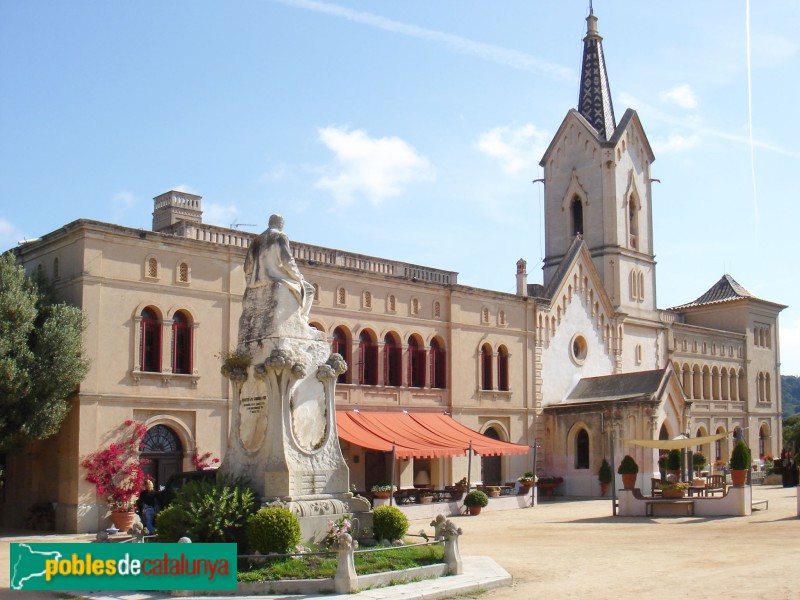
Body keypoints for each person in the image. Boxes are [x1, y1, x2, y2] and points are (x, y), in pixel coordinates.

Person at [243, 214, 314, 322]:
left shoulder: (256, 240)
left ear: (269, 223)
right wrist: (298, 277)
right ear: (281, 224)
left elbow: (247, 267)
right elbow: (287, 261)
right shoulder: (279, 236)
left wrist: (250, 283)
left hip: (255, 282)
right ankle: (302, 320)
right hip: (274, 278)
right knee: (309, 290)